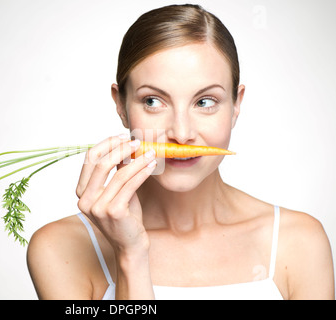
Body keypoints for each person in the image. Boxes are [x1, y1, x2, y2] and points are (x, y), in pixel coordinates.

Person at [27, 4, 334, 300]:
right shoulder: (60, 248)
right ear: (120, 104)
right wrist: (131, 255)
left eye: (205, 102)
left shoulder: (299, 242)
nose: (181, 134)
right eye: (153, 101)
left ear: (236, 104)